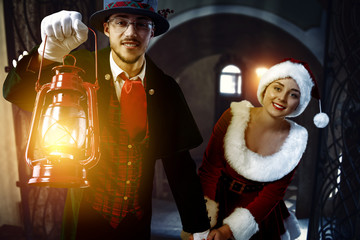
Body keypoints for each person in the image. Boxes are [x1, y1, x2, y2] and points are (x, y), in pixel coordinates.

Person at [3, 1, 210, 239]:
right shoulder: (80, 67)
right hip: (84, 217)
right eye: (121, 21)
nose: (131, 33)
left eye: (142, 24)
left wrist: (198, 226)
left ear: (152, 31)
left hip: (136, 222)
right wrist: (46, 55)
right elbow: (15, 93)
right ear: (106, 28)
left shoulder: (166, 88)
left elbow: (180, 166)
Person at [197, 58, 329, 240]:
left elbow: (272, 194)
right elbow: (209, 170)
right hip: (218, 202)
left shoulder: (296, 139)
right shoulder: (233, 116)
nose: (282, 98)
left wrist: (230, 230)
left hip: (259, 215)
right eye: (277, 88)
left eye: (293, 94)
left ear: (300, 103)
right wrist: (203, 222)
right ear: (265, 88)